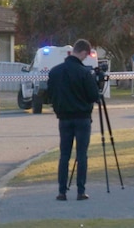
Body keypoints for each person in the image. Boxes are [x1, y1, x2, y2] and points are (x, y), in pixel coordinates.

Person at [47, 39, 101, 201]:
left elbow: (51, 95)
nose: (85, 59)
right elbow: (93, 96)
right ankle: (80, 191)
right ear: (83, 52)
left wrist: (58, 109)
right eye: (86, 56)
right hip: (82, 118)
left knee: (64, 155)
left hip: (64, 118)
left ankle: (62, 191)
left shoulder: (55, 72)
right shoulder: (84, 73)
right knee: (81, 155)